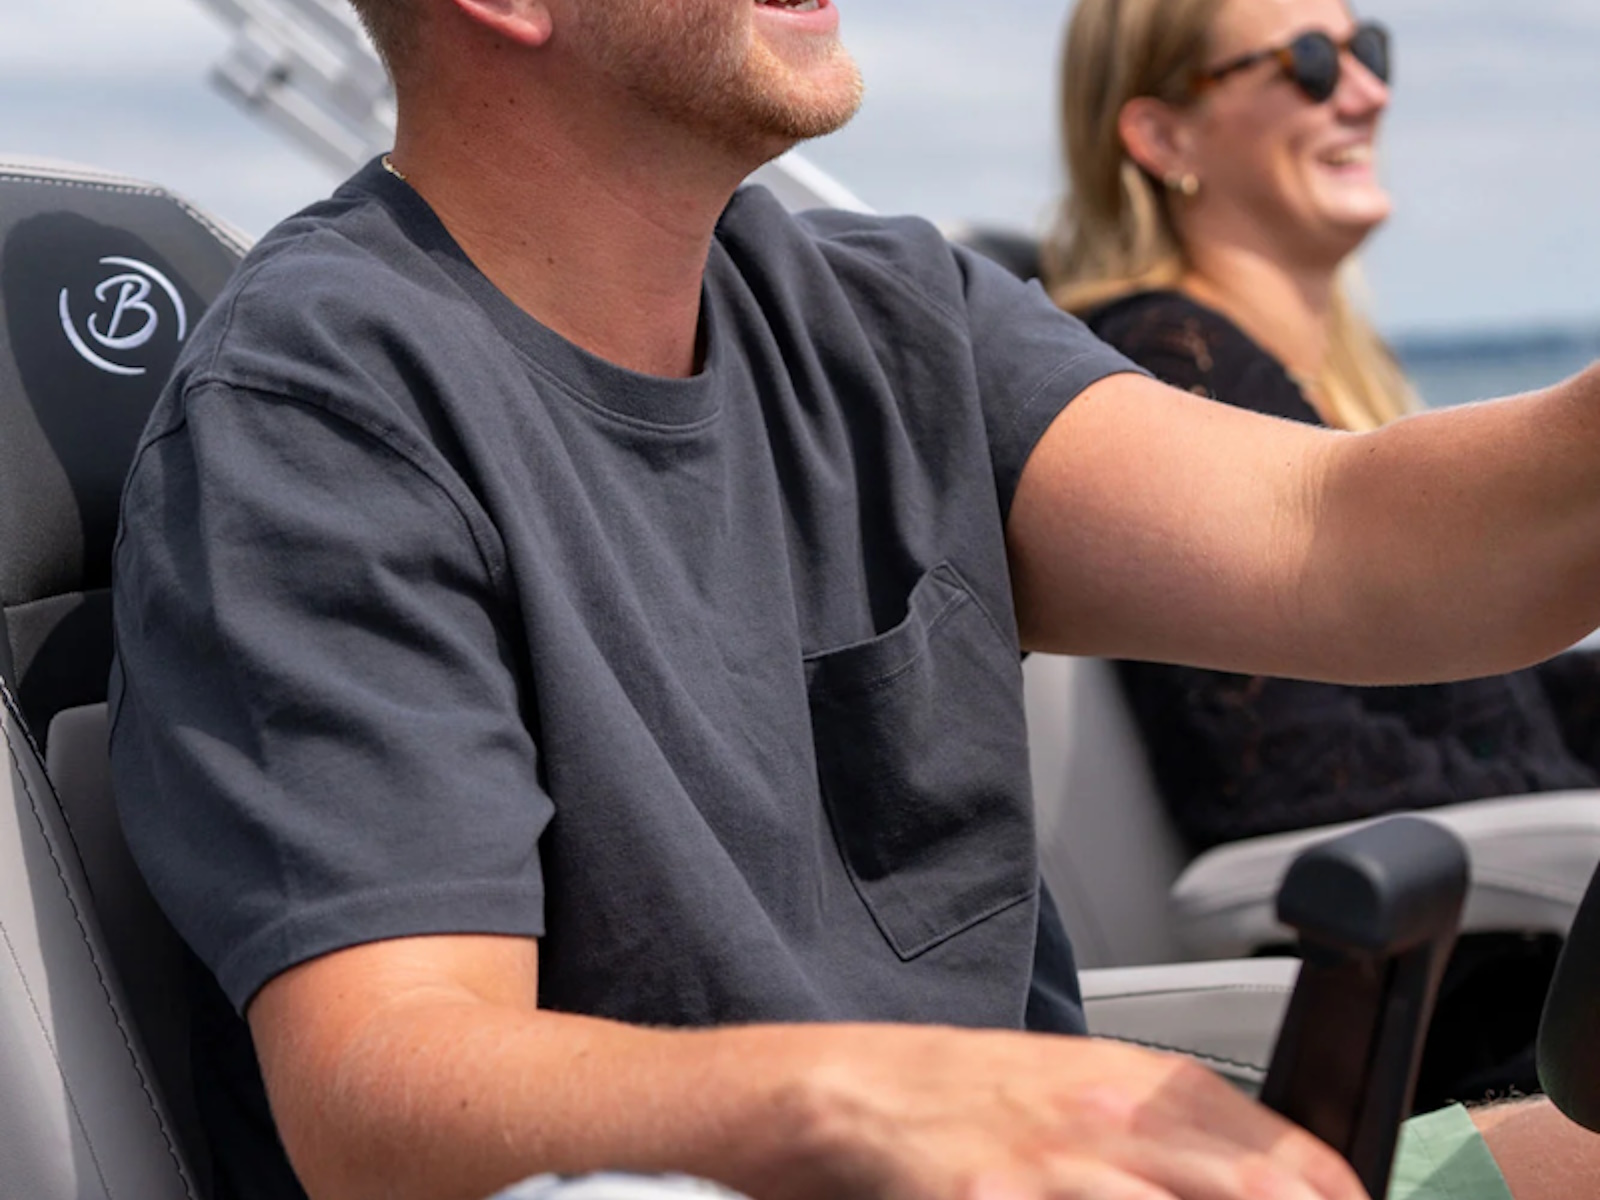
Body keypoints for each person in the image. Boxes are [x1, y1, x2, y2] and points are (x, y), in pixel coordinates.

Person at [107, 1, 1600, 1199]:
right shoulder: (319, 408)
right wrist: (881, 1102)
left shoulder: (886, 314)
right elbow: (385, 1097)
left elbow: (1336, 533)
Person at [1041, 0, 1600, 854]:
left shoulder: (1321, 376)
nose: (1369, 92)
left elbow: (1471, 709)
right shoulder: (1170, 369)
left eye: (1367, 48)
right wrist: (1563, 811)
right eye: (1311, 62)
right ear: (1164, 138)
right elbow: (1286, 770)